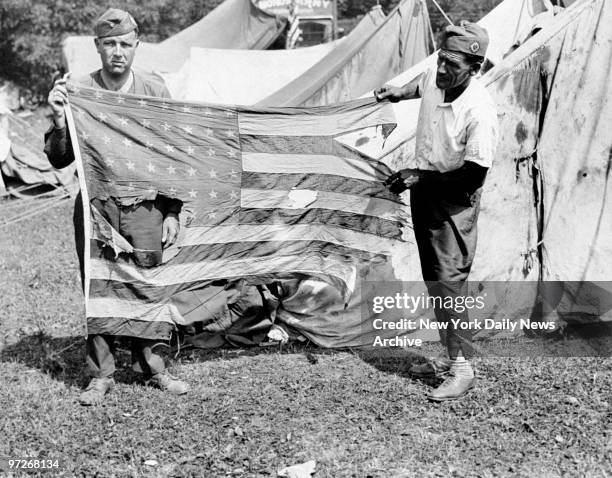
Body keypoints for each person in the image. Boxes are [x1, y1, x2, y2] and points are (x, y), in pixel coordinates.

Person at [44, 8, 189, 405]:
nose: (118, 52)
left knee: (147, 283)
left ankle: (152, 368)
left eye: (125, 44)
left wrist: (172, 211)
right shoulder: (78, 90)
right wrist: (59, 120)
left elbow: (172, 154)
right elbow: (59, 159)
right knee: (99, 286)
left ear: (137, 46)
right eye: (110, 44)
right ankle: (101, 375)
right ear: (98, 47)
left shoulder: (153, 91)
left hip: (145, 205)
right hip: (96, 206)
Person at [375, 21, 499, 401]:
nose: (443, 70)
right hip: (426, 190)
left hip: (454, 202)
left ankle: (462, 369)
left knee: (448, 284)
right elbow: (424, 80)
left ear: (474, 68)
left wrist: (419, 177)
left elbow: (472, 177)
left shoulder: (479, 112)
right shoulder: (437, 73)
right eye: (441, 59)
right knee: (435, 281)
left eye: (453, 65)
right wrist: (399, 92)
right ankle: (453, 356)